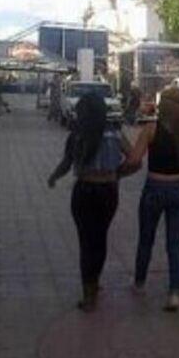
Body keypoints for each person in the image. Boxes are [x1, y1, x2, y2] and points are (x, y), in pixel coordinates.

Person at [47, 91, 136, 311]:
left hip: (84, 191)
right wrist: (116, 174)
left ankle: (89, 294)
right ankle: (94, 282)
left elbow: (67, 163)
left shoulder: (77, 134)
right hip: (108, 191)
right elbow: (135, 159)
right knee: (101, 238)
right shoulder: (115, 133)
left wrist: (53, 177)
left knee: (86, 242)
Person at [126, 86, 179, 312]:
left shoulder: (150, 129)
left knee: (146, 238)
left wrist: (119, 169)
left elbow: (135, 159)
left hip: (155, 186)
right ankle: (174, 292)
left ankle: (139, 282)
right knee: (175, 243)